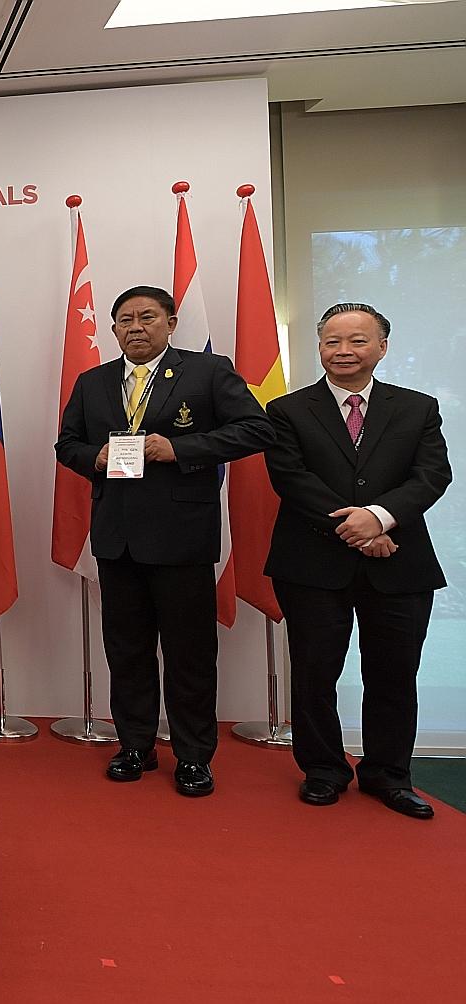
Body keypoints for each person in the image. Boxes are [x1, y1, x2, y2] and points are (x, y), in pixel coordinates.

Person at [55, 285, 275, 797]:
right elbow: (67, 445)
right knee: (127, 651)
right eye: (125, 319)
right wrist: (96, 459)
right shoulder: (93, 382)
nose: (136, 327)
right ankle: (135, 745)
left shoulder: (208, 371)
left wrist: (179, 448)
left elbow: (256, 430)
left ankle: (194, 756)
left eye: (147, 317)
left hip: (182, 540)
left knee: (189, 654)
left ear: (171, 323)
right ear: (113, 329)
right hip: (117, 540)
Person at [264, 303, 452, 819]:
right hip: (311, 565)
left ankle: (389, 776)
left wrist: (380, 518)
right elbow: (292, 481)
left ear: (382, 347)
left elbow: (432, 476)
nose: (343, 351)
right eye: (332, 341)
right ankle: (323, 771)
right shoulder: (287, 410)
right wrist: (358, 528)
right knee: (314, 673)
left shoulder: (417, 407)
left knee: (393, 675)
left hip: (400, 563)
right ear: (319, 347)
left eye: (357, 341)